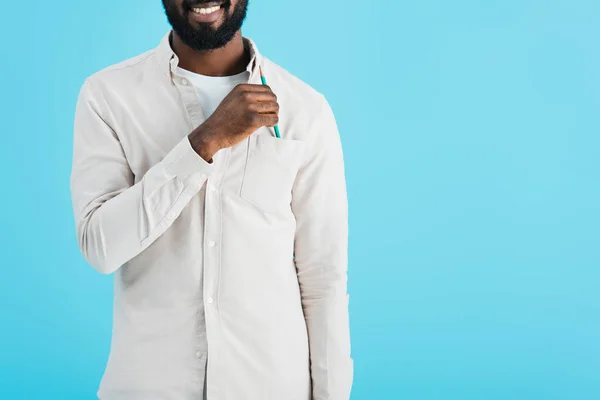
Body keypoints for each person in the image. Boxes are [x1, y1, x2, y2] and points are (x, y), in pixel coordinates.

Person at [70, 1, 353, 399]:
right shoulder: (108, 97)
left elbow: (323, 277)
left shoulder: (306, 109)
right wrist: (205, 142)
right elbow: (100, 247)